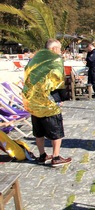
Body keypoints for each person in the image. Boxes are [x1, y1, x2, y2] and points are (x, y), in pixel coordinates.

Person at [22, 39, 72, 167]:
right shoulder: (54, 60)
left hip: (32, 101)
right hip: (47, 102)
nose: (60, 51)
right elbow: (58, 81)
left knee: (38, 131)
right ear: (54, 49)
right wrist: (62, 98)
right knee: (56, 131)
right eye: (59, 49)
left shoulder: (34, 58)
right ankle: (55, 157)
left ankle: (42, 155)